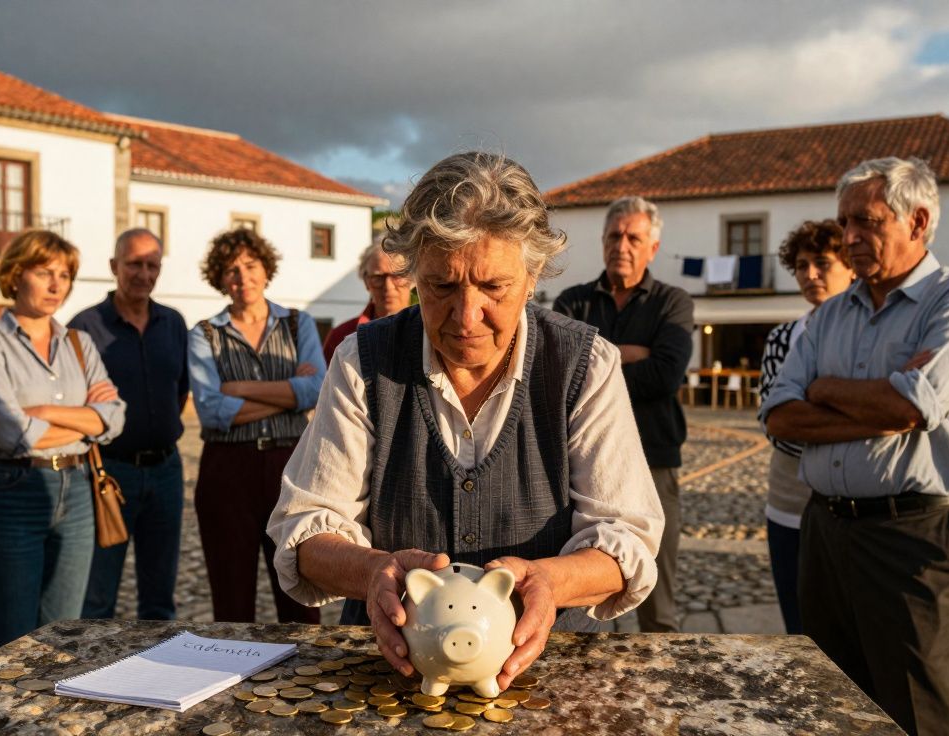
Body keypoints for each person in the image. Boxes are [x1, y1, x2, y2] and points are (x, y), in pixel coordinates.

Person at [267, 152, 664, 689]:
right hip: (393, 677)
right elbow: (302, 528)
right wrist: (373, 571)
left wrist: (550, 580)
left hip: (549, 677)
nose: (466, 316)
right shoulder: (364, 361)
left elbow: (628, 537)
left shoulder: (584, 364)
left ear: (533, 276)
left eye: (493, 287)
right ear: (412, 276)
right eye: (442, 287)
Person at [762, 157, 949, 735]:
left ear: (918, 221)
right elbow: (781, 416)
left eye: (866, 222)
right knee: (831, 705)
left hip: (915, 540)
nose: (850, 238)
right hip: (825, 531)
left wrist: (829, 394)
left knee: (924, 713)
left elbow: (913, 407)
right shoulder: (829, 317)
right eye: (844, 222)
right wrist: (874, 400)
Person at [0, 230, 126, 653]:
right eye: (44, 272)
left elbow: (116, 418)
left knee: (64, 632)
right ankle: (1, 715)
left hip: (77, 491)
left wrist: (46, 413)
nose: (57, 285)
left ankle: (45, 717)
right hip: (11, 491)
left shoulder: (79, 343)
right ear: (16, 275)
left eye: (65, 274)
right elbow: (11, 434)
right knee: (9, 635)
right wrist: (87, 422)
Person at [553, 195, 693, 634]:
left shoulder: (673, 303)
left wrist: (596, 366)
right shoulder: (572, 302)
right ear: (602, 242)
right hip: (581, 469)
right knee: (579, 591)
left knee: (659, 601)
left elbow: (666, 375)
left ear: (652, 248)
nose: (622, 245)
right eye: (614, 235)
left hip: (655, 460)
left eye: (634, 237)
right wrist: (628, 356)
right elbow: (559, 378)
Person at [188, 227, 326, 624]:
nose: (242, 276)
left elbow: (316, 390)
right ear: (220, 279)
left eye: (250, 265)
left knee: (301, 592)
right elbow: (212, 410)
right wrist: (287, 393)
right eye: (231, 270)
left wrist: (239, 389)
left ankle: (306, 678)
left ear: (266, 269)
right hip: (226, 471)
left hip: (291, 466)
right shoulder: (204, 334)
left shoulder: (298, 324)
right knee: (231, 594)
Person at [70, 228, 189, 620]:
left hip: (167, 472)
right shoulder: (84, 327)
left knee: (159, 598)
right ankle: (86, 671)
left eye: (151, 265)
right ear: (113, 266)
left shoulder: (173, 323)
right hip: (109, 474)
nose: (143, 273)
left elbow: (181, 390)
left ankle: (158, 677)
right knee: (97, 596)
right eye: (134, 264)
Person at [757, 220, 855, 635]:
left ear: (850, 267)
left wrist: (810, 403)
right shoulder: (783, 337)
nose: (810, 273)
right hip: (789, 499)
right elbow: (777, 422)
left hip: (850, 504)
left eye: (821, 262)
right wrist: (852, 417)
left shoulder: (865, 335)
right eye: (800, 265)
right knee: (798, 625)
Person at [322, 239, 413, 364]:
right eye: (378, 277)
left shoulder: (431, 333)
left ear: (413, 279)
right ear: (366, 281)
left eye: (397, 276)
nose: (388, 286)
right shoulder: (341, 337)